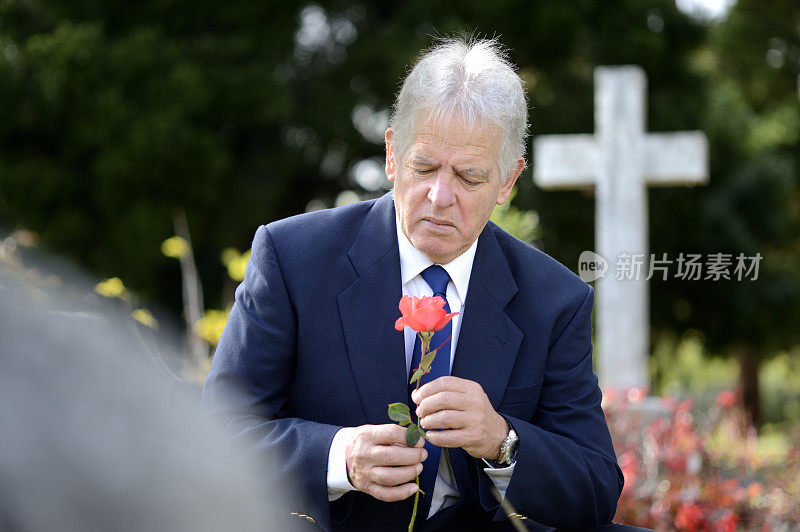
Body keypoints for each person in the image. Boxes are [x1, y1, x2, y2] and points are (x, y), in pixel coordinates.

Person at [203, 37, 626, 531]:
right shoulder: (293, 258)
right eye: (423, 167)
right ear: (391, 155)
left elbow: (597, 487)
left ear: (508, 182)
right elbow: (217, 433)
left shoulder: (555, 300)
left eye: (469, 177)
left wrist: (502, 439)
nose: (440, 196)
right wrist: (341, 457)